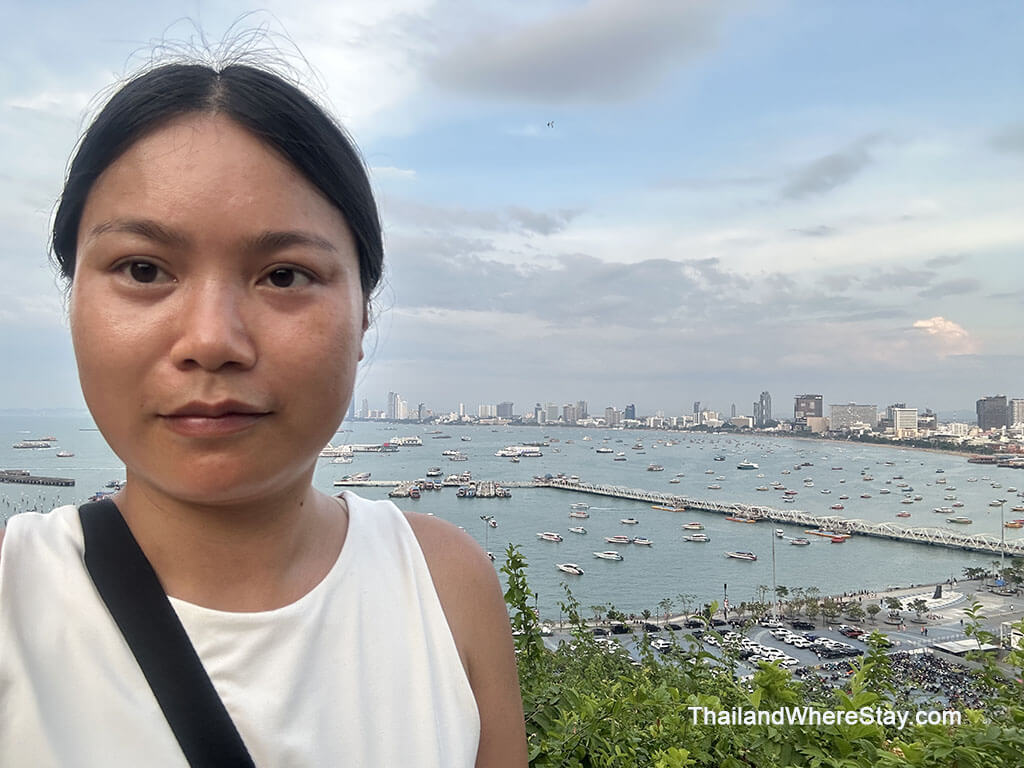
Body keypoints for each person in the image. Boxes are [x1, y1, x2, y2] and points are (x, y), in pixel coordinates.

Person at [0, 61, 527, 767]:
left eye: (284, 275)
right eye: (144, 270)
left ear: (364, 314)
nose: (212, 340)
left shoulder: (446, 583)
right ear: (73, 304)